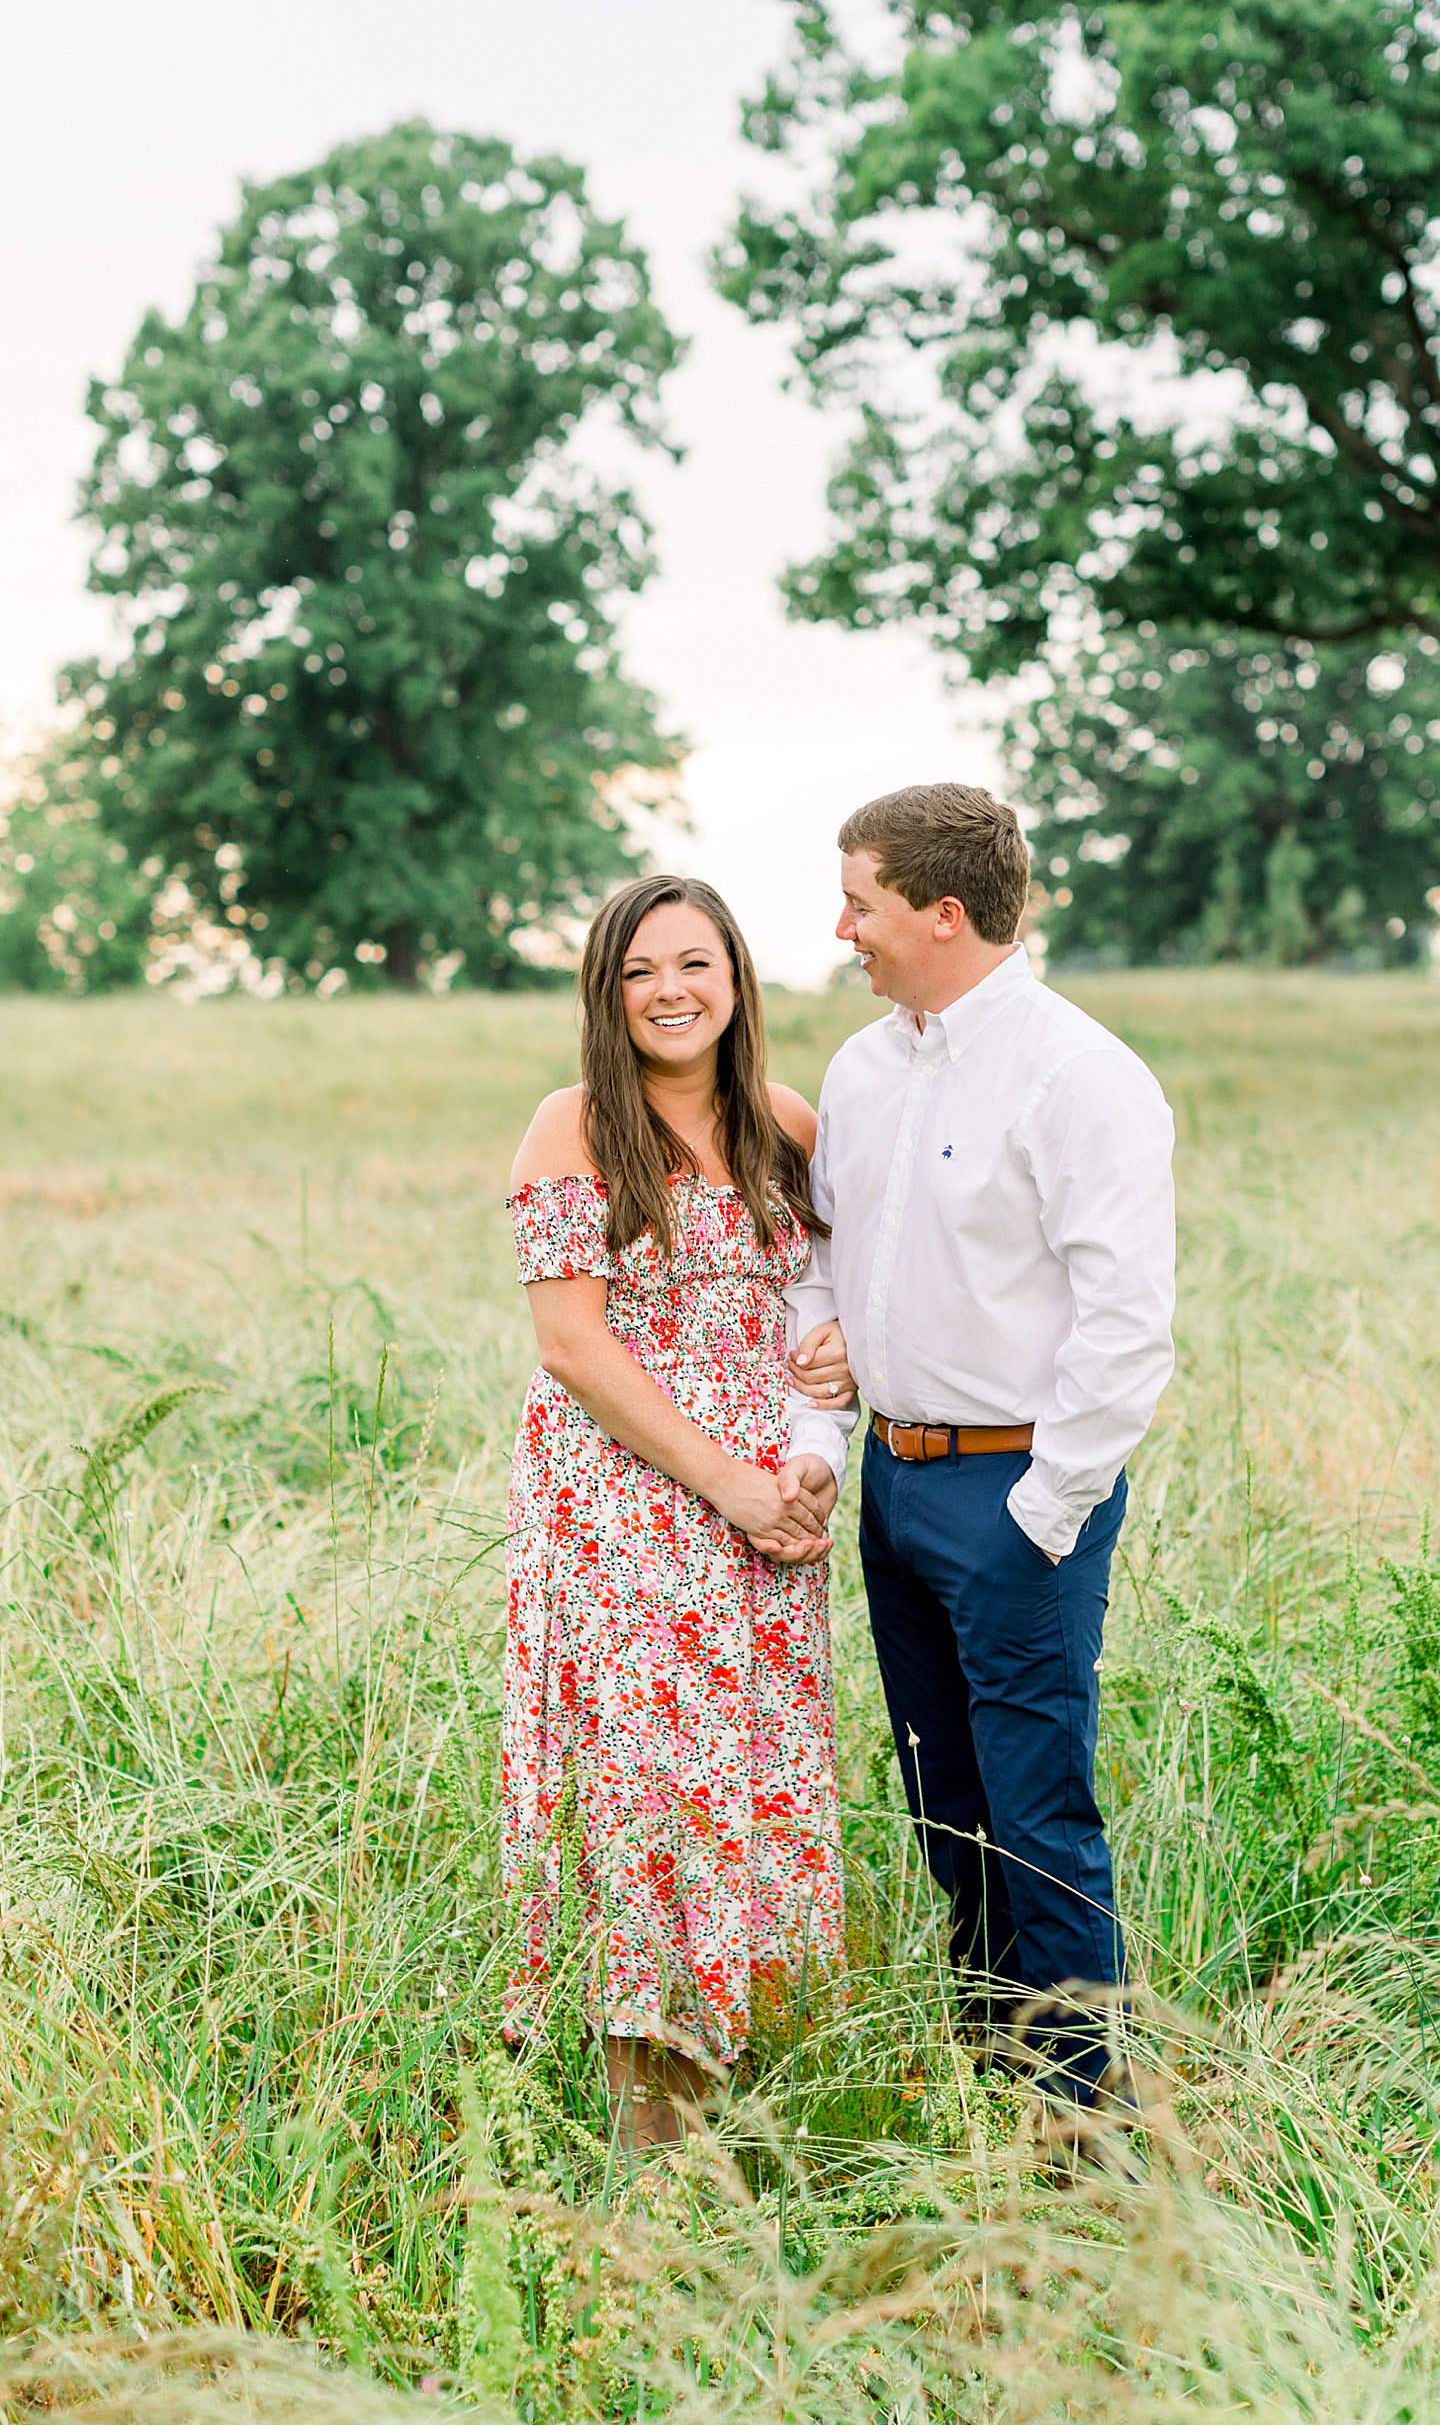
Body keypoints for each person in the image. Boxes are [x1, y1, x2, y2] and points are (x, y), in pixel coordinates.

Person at [783, 784, 1176, 2132]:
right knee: (945, 1800)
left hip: (1016, 1495)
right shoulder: (862, 1067)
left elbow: (1125, 1325)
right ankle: (993, 2079)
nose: (844, 929)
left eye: (862, 903)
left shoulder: (1081, 1077)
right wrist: (834, 1363)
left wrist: (1042, 1510)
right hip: (894, 1487)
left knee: (1038, 1812)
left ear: (944, 912)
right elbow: (826, 1249)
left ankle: (1087, 2127)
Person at [502, 874, 853, 2150]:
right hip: (627, 1513)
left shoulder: (788, 1122)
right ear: (607, 992)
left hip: (769, 1525)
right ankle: (648, 2137)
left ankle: (739, 2112)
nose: (670, 991)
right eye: (639, 969)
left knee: (746, 1785)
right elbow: (572, 1346)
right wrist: (725, 1481)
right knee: (646, 1793)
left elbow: (830, 1296)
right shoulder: (575, 1125)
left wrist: (833, 1389)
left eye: (695, 963)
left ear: (737, 979)